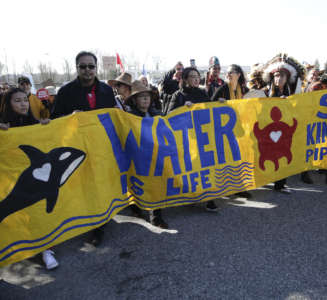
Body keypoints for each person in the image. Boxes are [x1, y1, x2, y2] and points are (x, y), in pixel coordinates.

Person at [51, 51, 116, 246]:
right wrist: (69, 117)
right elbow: (54, 120)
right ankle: (88, 219)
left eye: (91, 66)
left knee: (101, 183)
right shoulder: (65, 92)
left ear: (96, 68)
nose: (87, 70)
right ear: (76, 68)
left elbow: (114, 116)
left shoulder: (106, 90)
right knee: (84, 184)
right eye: (83, 66)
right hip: (77, 148)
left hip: (101, 146)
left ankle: (100, 223)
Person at [0, 87, 57, 269]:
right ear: (8, 104)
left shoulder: (36, 125)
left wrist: (49, 127)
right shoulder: (3, 126)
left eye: (25, 99)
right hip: (10, 182)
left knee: (37, 215)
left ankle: (46, 250)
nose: (23, 104)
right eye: (17, 101)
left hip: (34, 183)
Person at [167, 67, 219, 211]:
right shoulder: (178, 95)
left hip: (202, 137)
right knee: (192, 169)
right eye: (192, 76)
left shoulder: (202, 93)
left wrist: (220, 104)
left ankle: (209, 199)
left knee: (207, 168)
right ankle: (192, 195)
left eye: (197, 76)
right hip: (186, 139)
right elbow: (168, 115)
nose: (196, 79)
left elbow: (211, 109)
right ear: (185, 79)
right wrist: (182, 108)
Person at [254, 54, 305, 193]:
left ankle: (280, 184)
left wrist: (288, 103)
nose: (279, 78)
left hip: (283, 133)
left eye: (282, 76)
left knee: (282, 157)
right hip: (267, 131)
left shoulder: (292, 93)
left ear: (287, 78)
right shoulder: (265, 92)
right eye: (276, 76)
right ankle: (263, 181)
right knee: (265, 157)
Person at [124, 81, 169, 227]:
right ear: (135, 100)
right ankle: (135, 206)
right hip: (138, 156)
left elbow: (169, 124)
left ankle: (156, 215)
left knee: (156, 182)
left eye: (148, 96)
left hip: (155, 154)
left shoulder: (156, 113)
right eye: (142, 96)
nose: (145, 99)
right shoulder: (128, 116)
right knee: (139, 183)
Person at [212, 64, 252, 199]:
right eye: (227, 73)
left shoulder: (245, 90)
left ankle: (240, 187)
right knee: (228, 159)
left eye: (231, 72)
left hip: (241, 130)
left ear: (238, 74)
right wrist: (219, 103)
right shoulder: (222, 89)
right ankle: (227, 187)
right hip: (225, 130)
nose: (228, 74)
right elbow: (209, 105)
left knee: (241, 159)